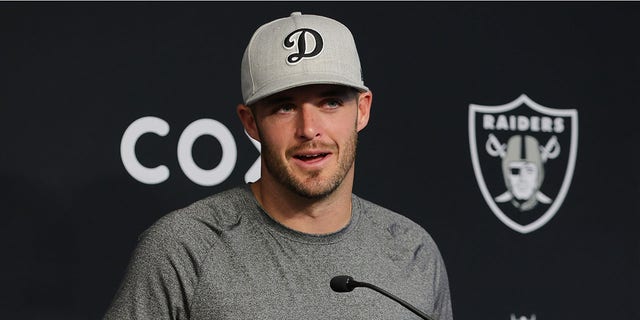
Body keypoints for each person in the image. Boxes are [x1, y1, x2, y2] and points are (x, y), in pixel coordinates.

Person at [104, 12, 453, 320]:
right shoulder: (185, 248)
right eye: (284, 107)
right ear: (251, 122)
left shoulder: (412, 251)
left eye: (330, 101)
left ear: (362, 109)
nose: (309, 129)